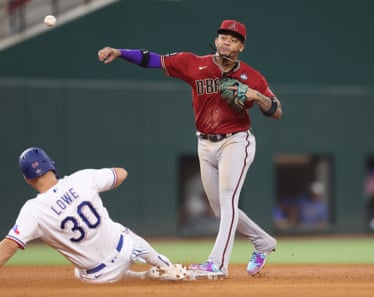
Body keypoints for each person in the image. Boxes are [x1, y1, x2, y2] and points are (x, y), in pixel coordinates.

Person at [97, 19, 282, 277]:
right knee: (219, 208)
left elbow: (276, 111)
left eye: (233, 38)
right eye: (223, 36)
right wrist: (119, 53)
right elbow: (153, 59)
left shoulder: (251, 76)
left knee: (228, 200)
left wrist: (257, 96)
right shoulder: (193, 63)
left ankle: (217, 264)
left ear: (241, 46)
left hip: (237, 140)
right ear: (216, 40)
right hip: (205, 143)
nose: (226, 41)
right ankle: (263, 241)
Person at [0, 147, 188, 288]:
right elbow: (121, 174)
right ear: (52, 166)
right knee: (120, 230)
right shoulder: (82, 178)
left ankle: (143, 276)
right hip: (126, 248)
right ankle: (162, 264)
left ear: (27, 179)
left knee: (79, 271)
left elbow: (8, 246)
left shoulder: (33, 210)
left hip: (100, 277)